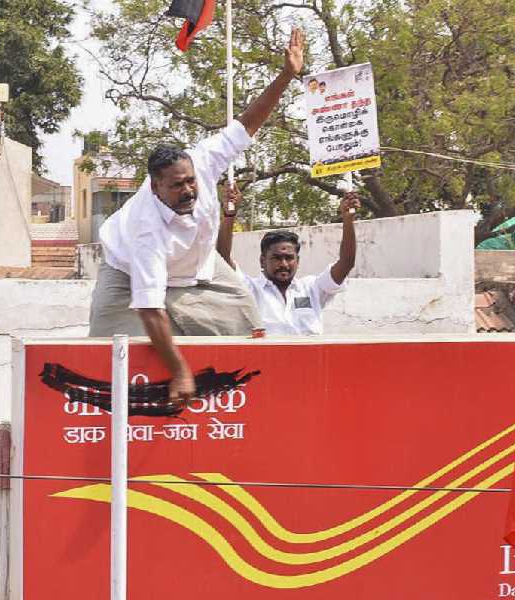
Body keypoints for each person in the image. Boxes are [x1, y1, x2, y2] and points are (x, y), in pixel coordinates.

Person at [89, 29, 306, 405]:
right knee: (111, 355)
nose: (189, 191)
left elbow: (249, 123)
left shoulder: (204, 161)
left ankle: (254, 402)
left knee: (249, 322)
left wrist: (286, 75)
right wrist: (180, 371)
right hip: (125, 275)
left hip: (200, 266)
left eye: (191, 182)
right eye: (177, 187)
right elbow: (150, 308)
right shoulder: (146, 231)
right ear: (156, 187)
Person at [216, 184, 361, 335]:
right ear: (262, 260)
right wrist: (229, 216)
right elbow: (222, 259)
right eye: (276, 258)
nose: (283, 264)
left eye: (289, 258)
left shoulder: (312, 288)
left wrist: (348, 219)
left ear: (297, 260)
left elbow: (346, 263)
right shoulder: (249, 290)